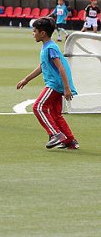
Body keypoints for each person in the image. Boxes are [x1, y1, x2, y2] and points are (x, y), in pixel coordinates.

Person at [17, 17, 79, 150]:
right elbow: (42, 66)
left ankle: (55, 134)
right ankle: (70, 141)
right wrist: (26, 79)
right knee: (56, 113)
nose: (33, 34)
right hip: (58, 84)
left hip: (55, 85)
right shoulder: (47, 47)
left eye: (35, 31)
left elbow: (61, 67)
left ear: (43, 33)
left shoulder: (50, 48)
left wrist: (67, 88)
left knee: (38, 107)